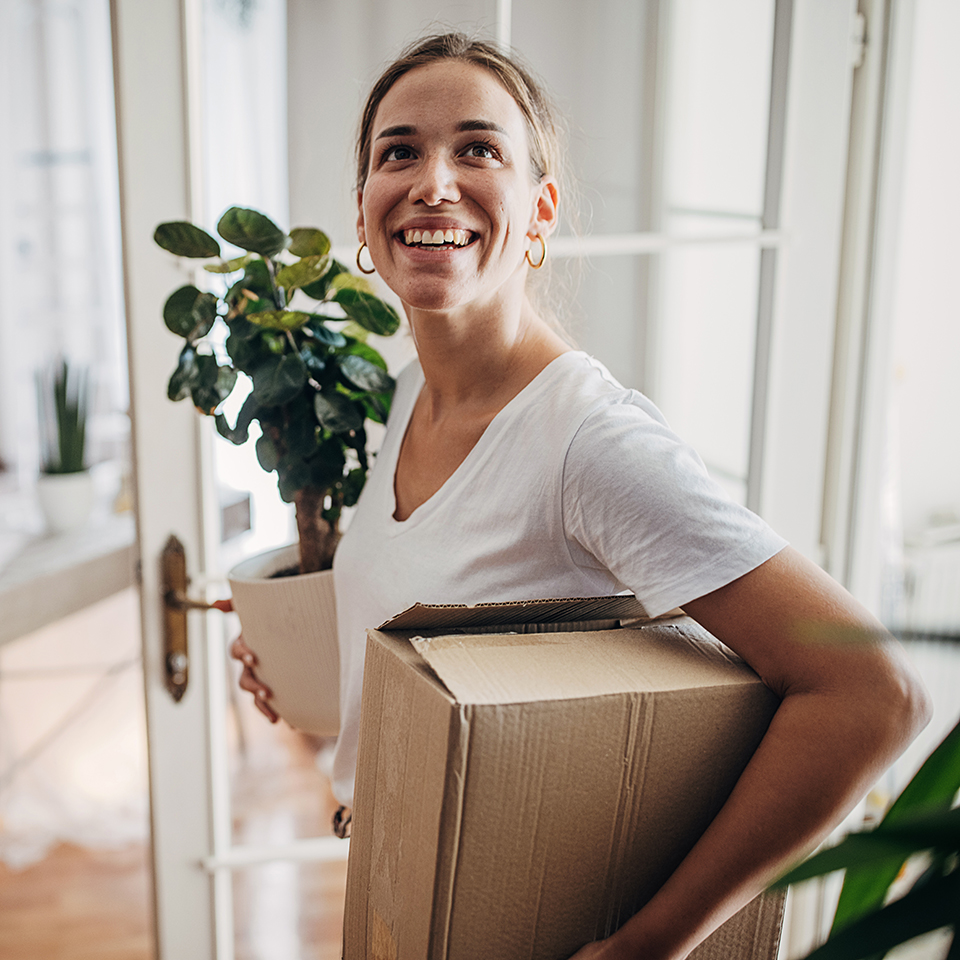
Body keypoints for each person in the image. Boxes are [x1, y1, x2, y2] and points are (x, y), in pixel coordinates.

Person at [231, 32, 930, 960]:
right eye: (399, 151)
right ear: (364, 215)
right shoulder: (405, 398)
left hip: (521, 921)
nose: (433, 181)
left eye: (479, 149)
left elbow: (873, 694)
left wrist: (652, 942)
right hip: (392, 885)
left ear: (540, 211)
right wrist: (309, 666)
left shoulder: (588, 442)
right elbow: (444, 637)